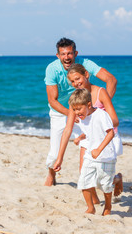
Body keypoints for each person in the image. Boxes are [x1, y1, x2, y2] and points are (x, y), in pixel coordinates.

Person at [44, 37, 117, 186]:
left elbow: (111, 80)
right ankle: (51, 174)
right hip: (60, 111)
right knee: (54, 151)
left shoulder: (85, 64)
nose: (67, 57)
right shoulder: (52, 69)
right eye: (63, 54)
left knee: (91, 145)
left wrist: (103, 106)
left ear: (75, 53)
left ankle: (97, 178)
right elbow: (52, 100)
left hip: (84, 110)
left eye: (70, 53)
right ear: (58, 56)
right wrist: (71, 114)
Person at [54, 88, 117, 216]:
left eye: (79, 109)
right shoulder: (83, 117)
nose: (77, 113)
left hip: (106, 156)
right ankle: (91, 208)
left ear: (88, 105)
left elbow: (110, 133)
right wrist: (80, 138)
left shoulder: (101, 115)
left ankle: (108, 206)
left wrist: (99, 150)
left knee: (105, 185)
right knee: (84, 181)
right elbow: (90, 131)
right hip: (90, 155)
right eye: (74, 110)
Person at [67, 63, 123, 198]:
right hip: (87, 138)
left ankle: (117, 179)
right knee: (84, 173)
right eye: (72, 81)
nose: (75, 83)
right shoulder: (76, 97)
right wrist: (59, 156)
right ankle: (95, 203)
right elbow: (69, 126)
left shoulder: (100, 92)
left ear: (86, 75)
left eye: (77, 79)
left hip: (104, 137)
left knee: (101, 177)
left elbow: (115, 121)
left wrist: (98, 122)